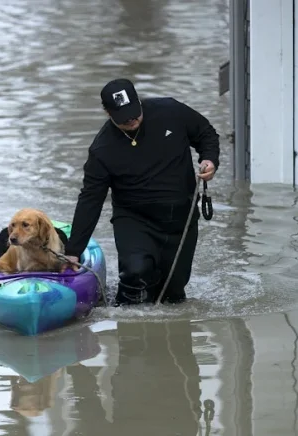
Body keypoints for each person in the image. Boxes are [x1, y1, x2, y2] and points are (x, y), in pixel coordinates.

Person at [62, 78, 220, 306]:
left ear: (138, 101)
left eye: (133, 113)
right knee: (135, 274)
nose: (131, 120)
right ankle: (127, 320)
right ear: (107, 112)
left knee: (173, 292)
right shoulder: (102, 150)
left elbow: (206, 133)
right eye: (123, 117)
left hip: (181, 217)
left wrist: (210, 160)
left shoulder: (171, 111)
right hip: (135, 219)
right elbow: (90, 199)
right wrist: (74, 249)